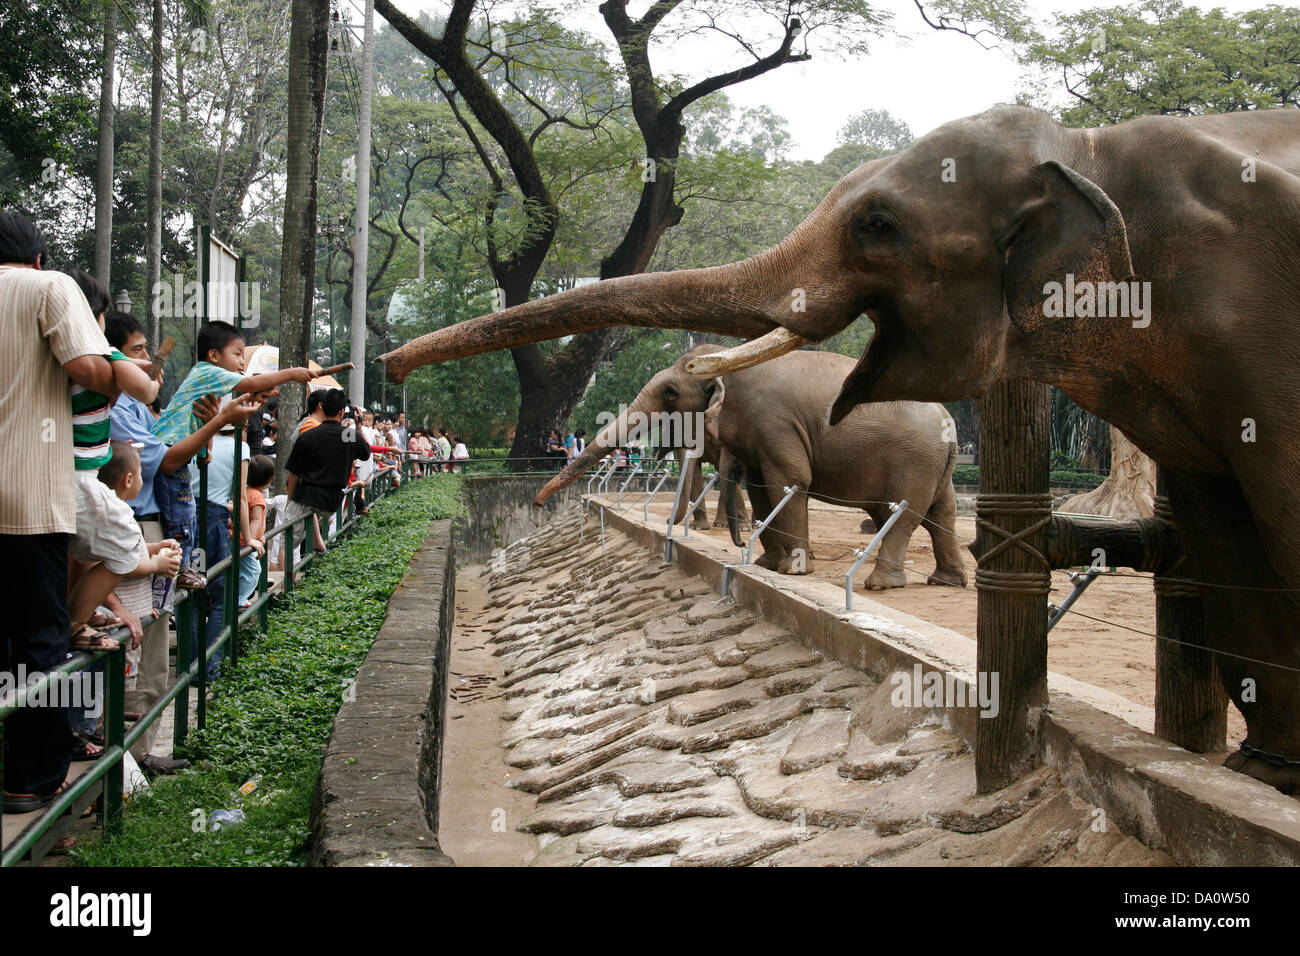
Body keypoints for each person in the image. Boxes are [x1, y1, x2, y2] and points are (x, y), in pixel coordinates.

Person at [106, 310, 260, 773]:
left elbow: (188, 458)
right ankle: (119, 771)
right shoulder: (116, 408)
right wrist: (218, 423)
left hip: (161, 528)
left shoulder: (142, 406)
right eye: (137, 352)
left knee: (154, 647)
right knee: (139, 646)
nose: (148, 361)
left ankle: (137, 757)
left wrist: (209, 427)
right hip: (142, 528)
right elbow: (168, 463)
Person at [0, 210, 115, 815]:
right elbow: (88, 369)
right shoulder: (48, 288)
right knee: (40, 643)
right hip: (26, 502)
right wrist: (131, 374)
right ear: (40, 257)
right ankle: (33, 782)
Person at [283, 389, 372, 549]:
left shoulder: (309, 435)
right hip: (332, 500)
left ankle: (289, 569)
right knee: (310, 540)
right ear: (341, 412)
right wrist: (358, 427)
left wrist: (290, 499)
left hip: (306, 498)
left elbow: (294, 473)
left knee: (285, 544)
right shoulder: (348, 434)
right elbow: (365, 453)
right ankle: (318, 548)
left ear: (322, 408)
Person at [238, 455, 274, 606]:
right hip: (244, 541)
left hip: (236, 538)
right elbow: (256, 519)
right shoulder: (258, 497)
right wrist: (252, 540)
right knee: (254, 571)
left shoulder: (244, 492)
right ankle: (240, 599)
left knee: (241, 571)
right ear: (268, 481)